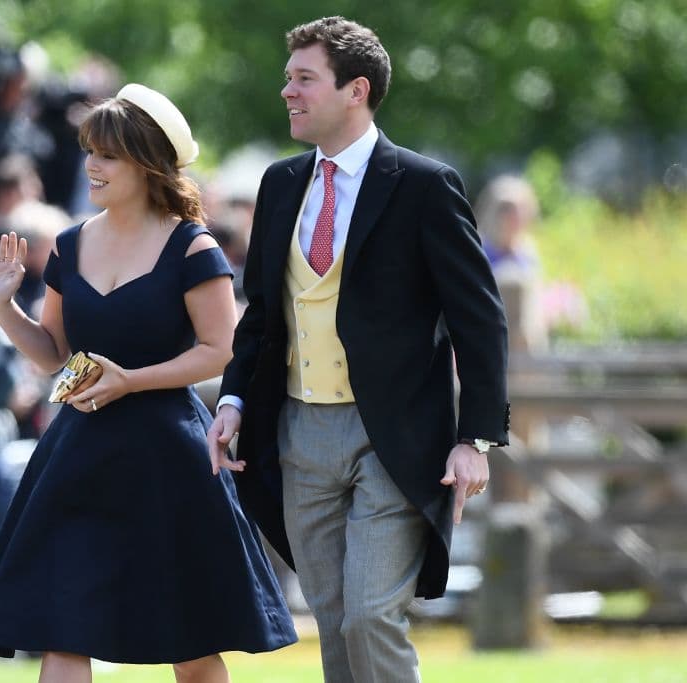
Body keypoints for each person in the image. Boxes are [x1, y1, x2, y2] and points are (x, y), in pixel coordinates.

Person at [207, 17, 510, 682]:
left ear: (356, 90)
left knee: (371, 615)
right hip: (298, 433)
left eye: (304, 78)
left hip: (394, 437)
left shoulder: (425, 185)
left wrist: (475, 438)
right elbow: (262, 315)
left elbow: (479, 320)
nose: (287, 91)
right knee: (335, 617)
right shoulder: (280, 183)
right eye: (288, 78)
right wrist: (232, 400)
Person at [0, 83, 296, 682]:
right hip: (78, 455)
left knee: (192, 644)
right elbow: (53, 353)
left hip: (169, 460)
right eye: (90, 150)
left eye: (108, 154)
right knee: (64, 634)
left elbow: (221, 350)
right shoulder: (68, 244)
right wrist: (2, 306)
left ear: (146, 162)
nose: (91, 164)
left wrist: (132, 381)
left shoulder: (192, 244)